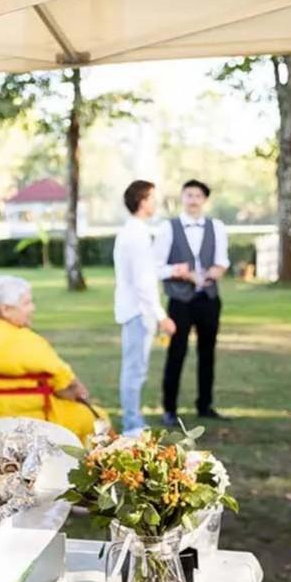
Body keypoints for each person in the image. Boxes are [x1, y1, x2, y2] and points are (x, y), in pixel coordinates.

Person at [0, 275, 109, 444]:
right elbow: (67, 386)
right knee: (97, 419)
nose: (32, 308)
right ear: (5, 309)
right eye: (26, 303)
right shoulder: (27, 342)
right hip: (34, 424)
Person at [153, 178, 230, 424]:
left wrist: (214, 272)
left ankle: (205, 405)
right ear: (182, 198)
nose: (193, 200)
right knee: (176, 353)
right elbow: (156, 267)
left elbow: (222, 260)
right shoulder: (168, 228)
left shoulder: (216, 226)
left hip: (208, 298)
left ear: (204, 200)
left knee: (207, 353)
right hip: (179, 300)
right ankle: (169, 409)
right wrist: (180, 272)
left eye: (197, 196)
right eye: (188, 195)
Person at [113, 180, 177, 435]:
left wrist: (173, 270)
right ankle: (132, 424)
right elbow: (142, 282)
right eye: (153, 198)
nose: (156, 202)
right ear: (142, 200)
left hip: (137, 310)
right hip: (138, 312)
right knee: (134, 370)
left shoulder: (134, 232)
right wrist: (162, 316)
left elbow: (147, 273)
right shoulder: (137, 235)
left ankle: (133, 420)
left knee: (135, 369)